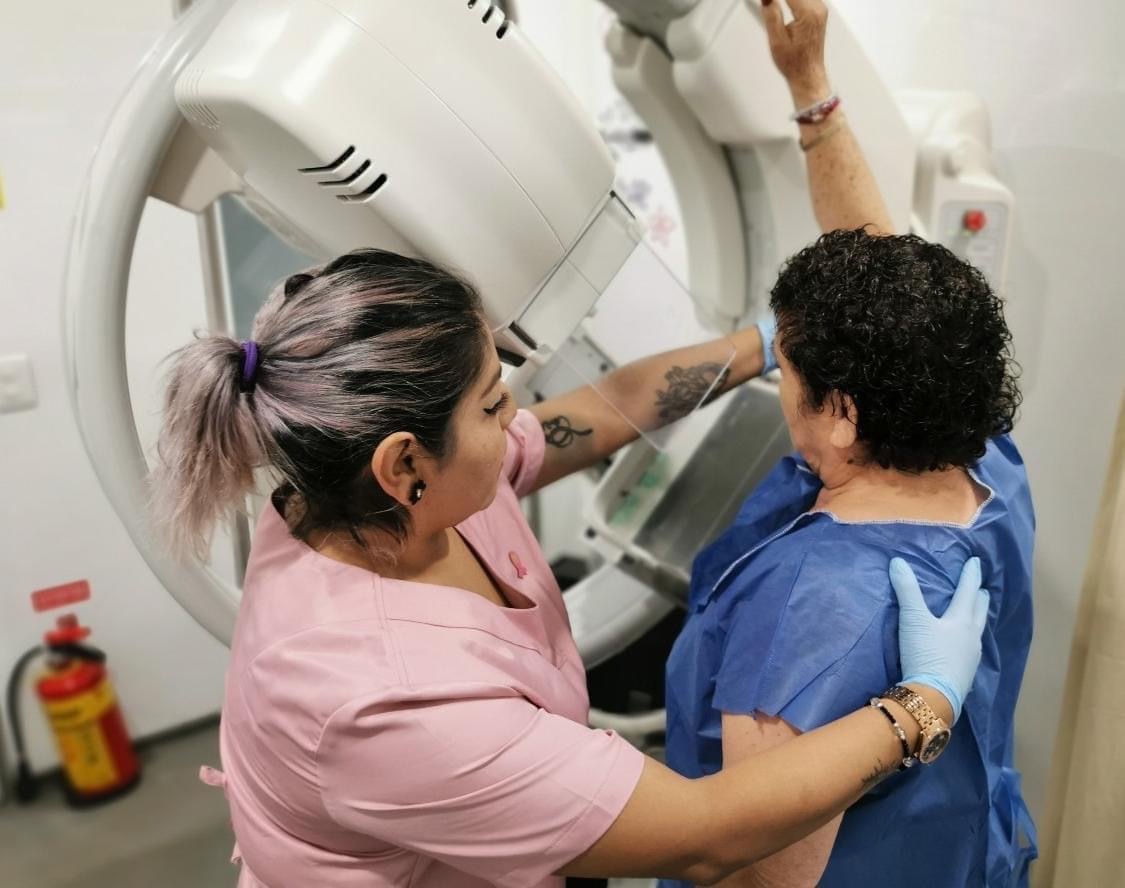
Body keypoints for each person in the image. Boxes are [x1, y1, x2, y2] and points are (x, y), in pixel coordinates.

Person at [151, 3, 988, 887]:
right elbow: (709, 837)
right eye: (488, 401)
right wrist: (919, 706)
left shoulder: (376, 497)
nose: (514, 409)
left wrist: (766, 342)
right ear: (402, 465)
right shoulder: (380, 700)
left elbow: (606, 406)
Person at [660, 3, 1038, 887]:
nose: (773, 378)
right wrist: (808, 86)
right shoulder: (984, 462)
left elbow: (751, 867)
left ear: (839, 412)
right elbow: (878, 268)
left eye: (782, 366)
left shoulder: (806, 606)